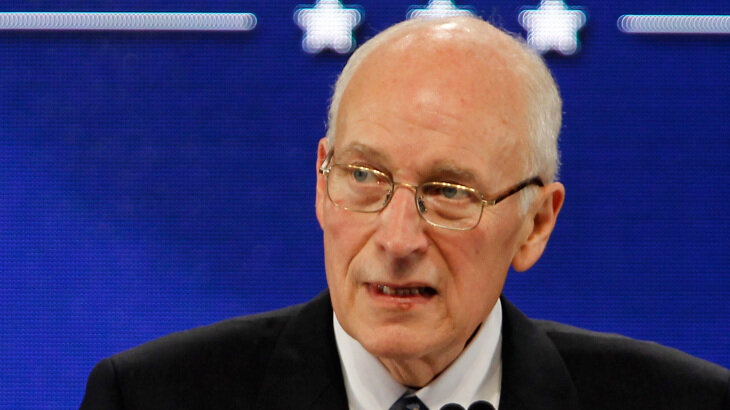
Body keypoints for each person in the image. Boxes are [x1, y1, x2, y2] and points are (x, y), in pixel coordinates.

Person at [80, 16, 730, 410]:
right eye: (364, 178)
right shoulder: (149, 397)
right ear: (321, 183)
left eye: (450, 192)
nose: (397, 239)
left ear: (535, 224)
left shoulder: (687, 403)